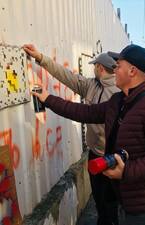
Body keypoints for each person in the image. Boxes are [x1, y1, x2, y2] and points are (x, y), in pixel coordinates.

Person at [31, 44, 145, 225]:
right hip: (125, 197)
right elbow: (84, 112)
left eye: (118, 66)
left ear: (132, 71)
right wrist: (47, 98)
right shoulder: (118, 101)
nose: (114, 70)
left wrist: (126, 171)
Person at [23, 44, 120, 225]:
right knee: (99, 200)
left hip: (112, 158)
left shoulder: (119, 92)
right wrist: (41, 58)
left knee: (111, 204)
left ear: (100, 68)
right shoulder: (91, 85)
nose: (93, 69)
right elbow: (66, 76)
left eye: (94, 66)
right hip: (94, 154)